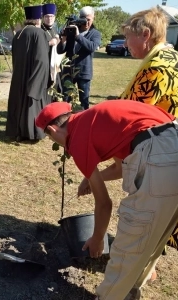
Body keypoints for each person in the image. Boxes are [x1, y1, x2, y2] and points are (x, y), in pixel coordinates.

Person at [35, 100, 178, 299]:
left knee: (130, 243)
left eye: (50, 137)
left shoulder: (76, 138)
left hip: (160, 158)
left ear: (52, 129)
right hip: (172, 138)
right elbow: (120, 167)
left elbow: (104, 204)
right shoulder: (93, 118)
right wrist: (92, 178)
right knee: (156, 232)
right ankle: (129, 290)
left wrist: (97, 239)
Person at [119, 7, 178, 281]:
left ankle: (137, 273)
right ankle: (148, 265)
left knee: (150, 213)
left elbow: (134, 117)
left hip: (161, 155)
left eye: (128, 37)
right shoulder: (171, 56)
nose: (124, 44)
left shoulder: (155, 69)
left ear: (146, 35)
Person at [6, 5, 51, 142]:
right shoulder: (39, 33)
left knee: (19, 104)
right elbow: (42, 60)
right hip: (33, 75)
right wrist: (40, 79)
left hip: (19, 76)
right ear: (38, 20)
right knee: (31, 105)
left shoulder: (18, 34)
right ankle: (32, 133)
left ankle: (17, 132)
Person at [57, 6, 101, 110]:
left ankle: (83, 123)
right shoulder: (71, 29)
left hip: (84, 72)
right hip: (69, 71)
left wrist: (78, 36)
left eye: (89, 20)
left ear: (93, 18)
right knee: (66, 98)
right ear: (80, 17)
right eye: (84, 19)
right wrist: (63, 40)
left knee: (84, 101)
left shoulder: (95, 33)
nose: (86, 22)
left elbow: (92, 47)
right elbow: (60, 50)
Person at [41, 3, 63, 91]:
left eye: (51, 16)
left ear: (54, 17)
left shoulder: (54, 29)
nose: (49, 19)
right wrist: (49, 43)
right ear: (43, 17)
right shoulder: (39, 30)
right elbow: (36, 47)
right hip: (45, 66)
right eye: (46, 16)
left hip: (55, 64)